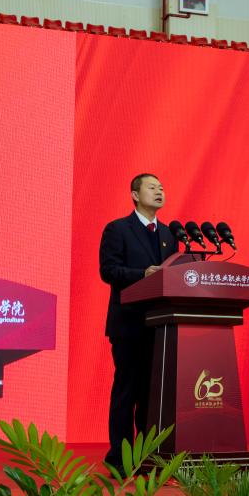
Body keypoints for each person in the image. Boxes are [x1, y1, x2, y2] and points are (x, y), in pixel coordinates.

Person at [98, 173, 178, 472]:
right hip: (129, 325)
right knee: (127, 392)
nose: (159, 191)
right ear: (134, 194)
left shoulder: (169, 234)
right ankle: (119, 458)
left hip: (160, 327)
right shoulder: (118, 229)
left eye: (162, 187)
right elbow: (108, 271)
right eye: (152, 187)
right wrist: (142, 274)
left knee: (151, 396)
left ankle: (146, 458)